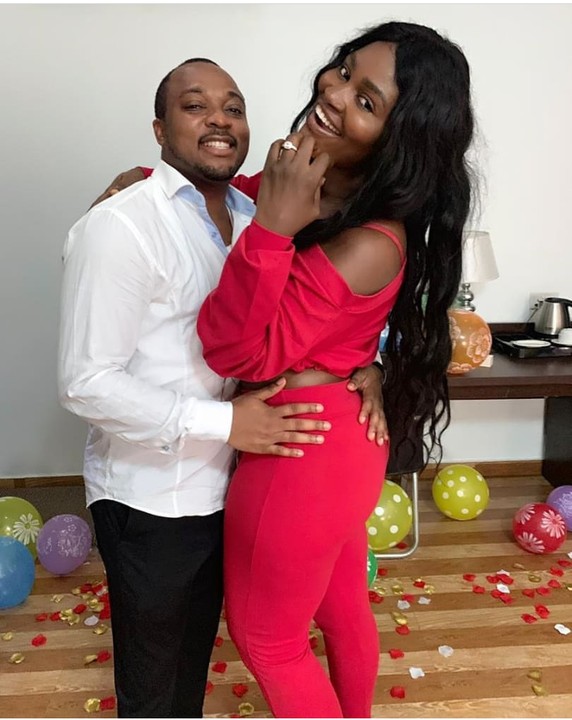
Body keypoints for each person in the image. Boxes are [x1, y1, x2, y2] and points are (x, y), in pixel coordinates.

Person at [58, 58, 384, 718]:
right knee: (154, 685)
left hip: (228, 487)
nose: (218, 119)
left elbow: (327, 308)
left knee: (191, 669)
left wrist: (369, 362)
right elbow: (85, 383)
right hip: (152, 496)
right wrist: (227, 423)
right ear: (160, 128)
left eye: (233, 108)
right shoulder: (122, 225)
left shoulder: (259, 210)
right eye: (195, 105)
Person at [194, 21, 474, 719]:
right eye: (345, 71)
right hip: (338, 441)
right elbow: (236, 193)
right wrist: (150, 181)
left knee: (268, 641)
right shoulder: (320, 181)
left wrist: (272, 228)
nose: (335, 92)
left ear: (398, 140)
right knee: (342, 607)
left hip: (301, 451)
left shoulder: (370, 240)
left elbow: (237, 353)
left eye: (366, 100)